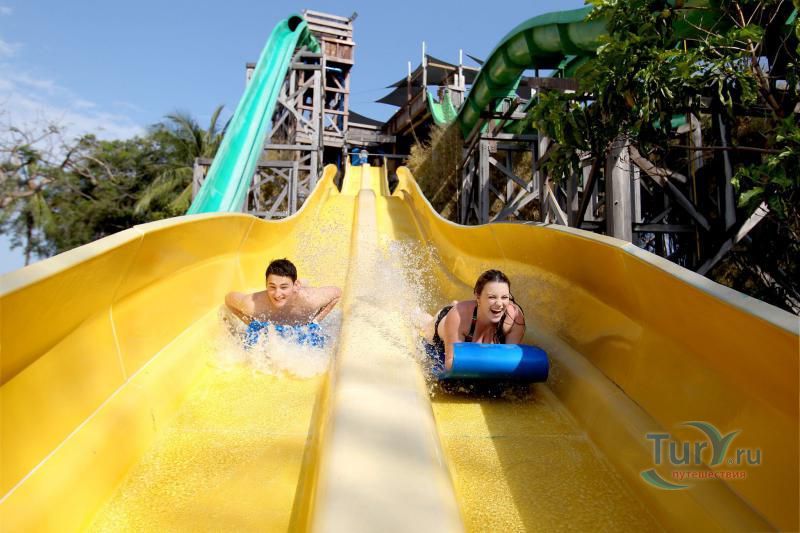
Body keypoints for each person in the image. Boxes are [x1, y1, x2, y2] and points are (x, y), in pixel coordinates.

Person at [419, 269, 526, 373]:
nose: (499, 304)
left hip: (468, 316)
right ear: (478, 297)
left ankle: (456, 305)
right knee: (425, 326)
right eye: (492, 297)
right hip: (446, 322)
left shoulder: (514, 318)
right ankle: (422, 314)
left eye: (504, 297)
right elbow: (451, 364)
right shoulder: (459, 318)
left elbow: (510, 361)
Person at [225, 258, 342, 326]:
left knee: (303, 285)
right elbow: (228, 299)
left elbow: (337, 293)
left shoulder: (310, 299)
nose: (277, 294)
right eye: (272, 287)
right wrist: (252, 324)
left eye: (283, 287)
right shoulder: (253, 305)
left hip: (299, 291)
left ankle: (302, 282)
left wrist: (315, 322)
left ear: (295, 286)